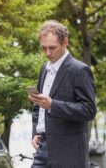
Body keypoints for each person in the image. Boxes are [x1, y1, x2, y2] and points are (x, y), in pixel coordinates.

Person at [29, 20, 96, 168]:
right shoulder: (44, 69)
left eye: (52, 48)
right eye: (44, 48)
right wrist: (35, 131)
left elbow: (89, 110)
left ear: (65, 42)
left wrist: (52, 104)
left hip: (68, 153)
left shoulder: (79, 70)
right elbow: (38, 107)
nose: (48, 53)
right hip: (42, 148)